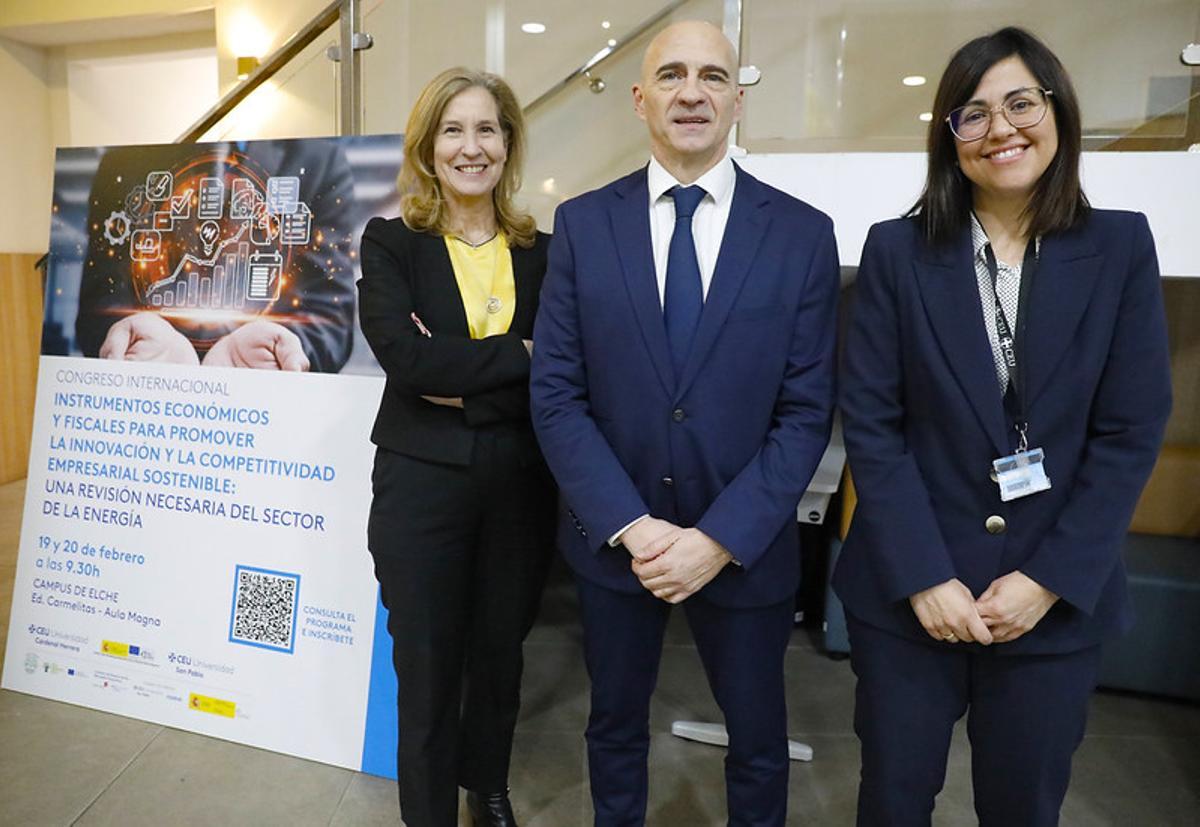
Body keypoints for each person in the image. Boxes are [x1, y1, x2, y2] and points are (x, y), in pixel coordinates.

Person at [835, 26, 1172, 826]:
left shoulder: (1120, 246)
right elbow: (873, 425)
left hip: (1050, 601)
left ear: (1058, 112)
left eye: (1020, 103)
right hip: (912, 599)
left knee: (1023, 806)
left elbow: (1130, 431)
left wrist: (1047, 579)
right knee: (892, 800)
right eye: (972, 114)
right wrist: (923, 574)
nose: (1001, 129)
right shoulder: (896, 251)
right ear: (950, 138)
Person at [530, 21, 838, 826]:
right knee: (613, 727)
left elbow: (806, 412)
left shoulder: (803, 235)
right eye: (671, 74)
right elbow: (557, 394)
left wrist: (717, 538)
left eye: (711, 76)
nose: (691, 91)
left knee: (759, 739)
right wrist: (634, 528)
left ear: (738, 98)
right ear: (640, 99)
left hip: (745, 545)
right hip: (617, 543)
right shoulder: (584, 225)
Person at [357, 68, 554, 827]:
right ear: (428, 145)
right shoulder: (392, 242)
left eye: (487, 129)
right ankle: (430, 812)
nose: (471, 147)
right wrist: (523, 354)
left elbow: (564, 369)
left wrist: (463, 376)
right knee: (430, 665)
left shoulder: (544, 250)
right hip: (420, 486)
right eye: (454, 130)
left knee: (501, 652)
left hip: (521, 483)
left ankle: (489, 785)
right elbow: (409, 365)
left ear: (508, 143)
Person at [76, 139, 357, 372]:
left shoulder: (320, 160)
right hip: (150, 394)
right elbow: (100, 303)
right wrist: (126, 336)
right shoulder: (124, 163)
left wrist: (281, 350)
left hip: (263, 401)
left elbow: (328, 314)